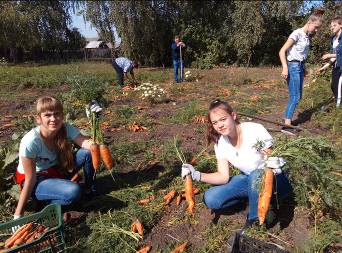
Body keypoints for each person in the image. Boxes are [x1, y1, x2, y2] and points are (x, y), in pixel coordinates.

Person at [181, 99, 293, 228]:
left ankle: (255, 221)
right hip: (249, 179)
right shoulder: (221, 143)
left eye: (223, 119)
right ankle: (253, 199)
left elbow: (271, 156)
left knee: (256, 175)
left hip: (275, 181)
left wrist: (274, 160)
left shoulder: (254, 130)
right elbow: (223, 176)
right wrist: (196, 174)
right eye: (215, 123)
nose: (220, 125)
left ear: (233, 116)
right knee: (211, 198)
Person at [14, 96, 98, 220]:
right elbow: (30, 178)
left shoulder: (65, 129)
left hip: (56, 169)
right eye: (47, 115)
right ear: (39, 119)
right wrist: (18, 214)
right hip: (37, 180)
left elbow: (83, 142)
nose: (53, 119)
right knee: (73, 192)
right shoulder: (31, 141)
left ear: (62, 116)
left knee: (88, 153)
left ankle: (90, 190)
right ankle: (48, 205)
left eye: (57, 114)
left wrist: (95, 145)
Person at [279, 12, 323, 133]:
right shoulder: (297, 33)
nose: (317, 30)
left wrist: (304, 68)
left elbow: (301, 54)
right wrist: (285, 68)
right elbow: (282, 51)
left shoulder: (306, 36)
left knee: (298, 96)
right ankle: (287, 126)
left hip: (299, 66)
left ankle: (287, 120)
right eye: (316, 27)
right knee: (295, 97)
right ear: (310, 22)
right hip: (292, 66)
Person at [319, 16, 342, 107]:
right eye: (331, 26)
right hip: (336, 66)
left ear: (341, 25)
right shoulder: (333, 39)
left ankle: (337, 108)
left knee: (339, 87)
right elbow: (335, 57)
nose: (332, 27)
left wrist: (329, 55)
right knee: (333, 86)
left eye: (334, 25)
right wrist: (324, 68)